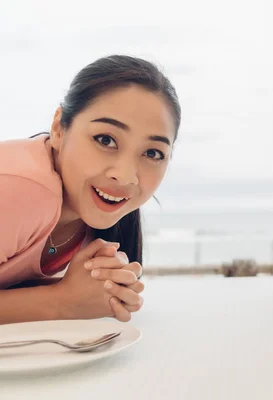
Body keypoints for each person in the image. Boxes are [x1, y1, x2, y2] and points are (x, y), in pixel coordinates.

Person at [0, 55, 181, 324]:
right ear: (59, 128)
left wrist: (99, 293)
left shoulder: (87, 213)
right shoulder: (23, 189)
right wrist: (63, 302)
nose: (125, 176)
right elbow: (64, 303)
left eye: (152, 153)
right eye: (105, 139)